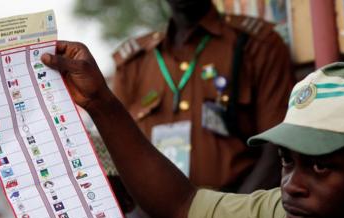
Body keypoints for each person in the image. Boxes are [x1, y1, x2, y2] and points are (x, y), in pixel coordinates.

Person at [41, 42, 344, 218]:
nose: (291, 185)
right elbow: (182, 207)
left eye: (319, 165)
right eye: (287, 160)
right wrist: (100, 103)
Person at [112, 0, 293, 197]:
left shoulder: (256, 45)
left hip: (236, 207)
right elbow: (119, 156)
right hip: (153, 217)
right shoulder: (134, 62)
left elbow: (276, 147)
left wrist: (230, 217)